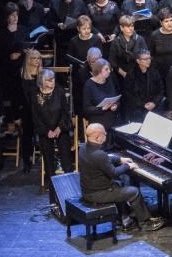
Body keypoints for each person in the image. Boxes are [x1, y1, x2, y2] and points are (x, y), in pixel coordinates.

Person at [78, 123, 165, 231]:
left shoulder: (83, 147)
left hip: (88, 190)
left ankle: (126, 220)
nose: (106, 136)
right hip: (97, 194)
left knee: (120, 184)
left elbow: (104, 159)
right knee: (134, 191)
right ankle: (145, 223)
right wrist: (128, 165)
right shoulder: (99, 154)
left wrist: (119, 159)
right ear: (98, 137)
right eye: (104, 134)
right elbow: (114, 172)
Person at [31, 69, 75, 201]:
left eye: (53, 79)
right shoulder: (35, 95)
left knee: (67, 163)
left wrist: (59, 128)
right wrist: (46, 131)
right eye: (49, 80)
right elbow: (35, 117)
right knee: (50, 165)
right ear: (42, 81)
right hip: (45, 131)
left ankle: (71, 195)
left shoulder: (59, 91)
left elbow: (65, 112)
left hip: (60, 129)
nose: (52, 81)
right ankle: (53, 199)